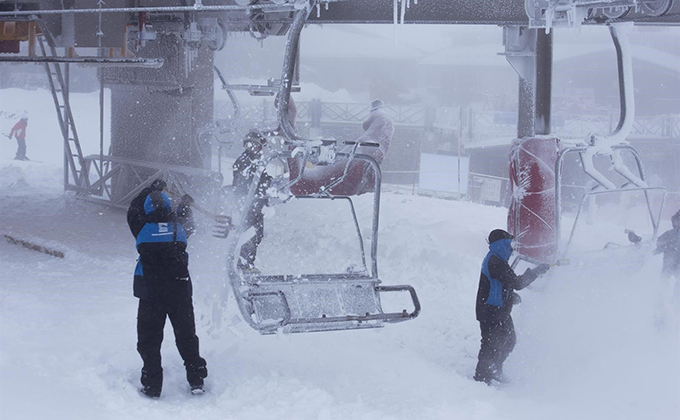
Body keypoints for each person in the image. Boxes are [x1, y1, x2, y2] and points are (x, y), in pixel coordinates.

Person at [127, 179, 207, 398]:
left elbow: (133, 207)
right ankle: (196, 379)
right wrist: (186, 204)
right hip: (179, 288)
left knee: (149, 340)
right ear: (168, 207)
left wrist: (150, 189)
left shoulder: (141, 228)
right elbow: (188, 222)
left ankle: (152, 385)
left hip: (151, 291)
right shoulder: (178, 227)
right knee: (187, 336)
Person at [474, 229, 550, 385]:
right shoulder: (496, 263)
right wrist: (536, 272)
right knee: (490, 344)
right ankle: (482, 377)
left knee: (509, 341)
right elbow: (517, 283)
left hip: (499, 310)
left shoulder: (499, 261)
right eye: (509, 244)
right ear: (500, 244)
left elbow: (500, 285)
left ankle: (495, 368)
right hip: (490, 312)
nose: (511, 248)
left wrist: (509, 297)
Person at [233, 130, 272, 272]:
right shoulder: (245, 162)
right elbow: (246, 185)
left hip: (255, 203)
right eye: (258, 145)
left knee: (257, 234)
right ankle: (244, 264)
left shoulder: (255, 161)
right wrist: (263, 187)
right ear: (250, 145)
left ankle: (247, 263)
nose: (260, 149)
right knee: (250, 233)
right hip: (248, 203)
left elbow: (261, 180)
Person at [654, 210, 680, 280]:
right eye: (677, 220)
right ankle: (661, 290)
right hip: (668, 263)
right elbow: (657, 244)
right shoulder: (670, 234)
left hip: (676, 264)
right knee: (664, 279)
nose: (677, 223)